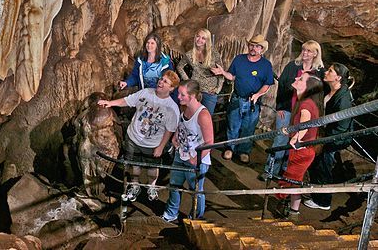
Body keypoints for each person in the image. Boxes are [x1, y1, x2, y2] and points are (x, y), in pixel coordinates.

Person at [98, 70, 180, 201]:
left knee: (152, 168)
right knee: (134, 166)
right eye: (161, 79)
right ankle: (135, 185)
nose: (161, 82)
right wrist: (110, 103)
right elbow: (128, 101)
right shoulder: (146, 92)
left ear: (171, 88)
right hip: (133, 138)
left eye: (165, 82)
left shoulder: (172, 108)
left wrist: (161, 147)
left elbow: (169, 130)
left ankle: (151, 186)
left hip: (153, 143)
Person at [262, 40, 324, 179]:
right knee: (280, 140)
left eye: (308, 51)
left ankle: (287, 172)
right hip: (287, 109)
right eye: (303, 50)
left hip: (304, 113)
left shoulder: (318, 72)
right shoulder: (292, 66)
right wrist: (280, 108)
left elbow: (319, 94)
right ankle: (270, 170)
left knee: (295, 142)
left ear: (315, 54)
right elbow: (282, 86)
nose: (305, 53)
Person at [211, 34, 274, 163]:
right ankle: (230, 148)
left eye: (257, 46)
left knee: (248, 127)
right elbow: (232, 76)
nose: (253, 48)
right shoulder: (239, 59)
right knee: (233, 125)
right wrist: (223, 73)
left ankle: (244, 151)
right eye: (251, 45)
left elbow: (267, 84)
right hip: (237, 98)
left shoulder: (266, 65)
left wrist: (257, 95)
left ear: (262, 49)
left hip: (253, 102)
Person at [303, 63, 354, 211]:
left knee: (323, 166)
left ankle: (323, 201)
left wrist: (323, 142)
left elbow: (342, 127)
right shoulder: (330, 90)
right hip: (327, 132)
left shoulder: (343, 99)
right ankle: (316, 194)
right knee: (317, 163)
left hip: (335, 137)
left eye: (330, 71)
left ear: (338, 77)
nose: (326, 72)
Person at [162, 80, 214, 223]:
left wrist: (196, 159)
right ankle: (171, 212)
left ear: (193, 96)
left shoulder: (203, 115)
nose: (178, 97)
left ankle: (196, 217)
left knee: (196, 190)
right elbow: (181, 124)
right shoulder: (183, 107)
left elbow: (209, 142)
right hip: (181, 154)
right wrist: (175, 137)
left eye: (182, 94)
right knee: (174, 185)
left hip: (196, 160)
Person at [276, 71, 324, 220]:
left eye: (301, 78)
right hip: (305, 150)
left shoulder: (306, 104)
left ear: (308, 87)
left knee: (290, 180)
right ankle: (293, 211)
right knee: (296, 180)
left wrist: (296, 137)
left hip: (301, 150)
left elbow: (305, 123)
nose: (296, 78)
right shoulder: (307, 101)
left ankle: (280, 198)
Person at [176, 28, 224, 115]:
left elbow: (221, 72)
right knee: (193, 116)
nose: (199, 40)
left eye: (203, 38)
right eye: (198, 36)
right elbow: (179, 66)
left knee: (206, 117)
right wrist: (188, 81)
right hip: (195, 91)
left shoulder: (214, 53)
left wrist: (218, 89)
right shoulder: (189, 54)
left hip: (210, 92)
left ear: (207, 40)